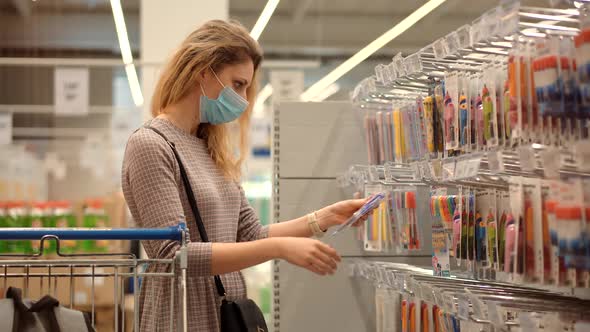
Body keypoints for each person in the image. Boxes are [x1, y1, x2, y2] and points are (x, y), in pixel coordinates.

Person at [122, 19, 368, 332]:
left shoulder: (209, 148)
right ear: (202, 72)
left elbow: (250, 234)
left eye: (246, 87)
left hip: (227, 315)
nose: (242, 97)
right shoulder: (151, 144)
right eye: (238, 84)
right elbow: (174, 253)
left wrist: (323, 218)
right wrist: (279, 250)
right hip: (180, 317)